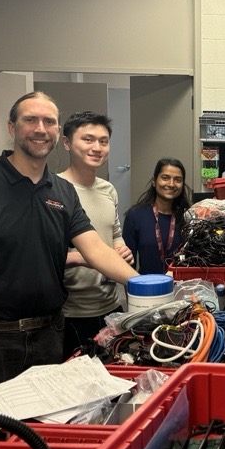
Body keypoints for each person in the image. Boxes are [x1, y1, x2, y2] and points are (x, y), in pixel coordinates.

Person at [0, 91, 138, 395]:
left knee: (45, 431)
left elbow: (95, 249)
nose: (40, 128)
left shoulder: (63, 192)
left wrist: (146, 285)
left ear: (58, 131)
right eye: (30, 119)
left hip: (49, 334)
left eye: (49, 121)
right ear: (12, 127)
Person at [58, 111, 134, 356]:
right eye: (88, 140)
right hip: (70, 314)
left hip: (111, 307)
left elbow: (114, 234)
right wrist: (86, 257)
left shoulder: (108, 189)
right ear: (67, 143)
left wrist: (122, 251)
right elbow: (39, 258)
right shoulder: (52, 192)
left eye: (103, 141)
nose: (97, 147)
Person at [123, 158, 192, 274]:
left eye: (178, 180)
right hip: (147, 287)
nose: (171, 184)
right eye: (165, 178)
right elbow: (127, 266)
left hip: (181, 288)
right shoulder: (135, 215)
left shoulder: (188, 218)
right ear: (154, 181)